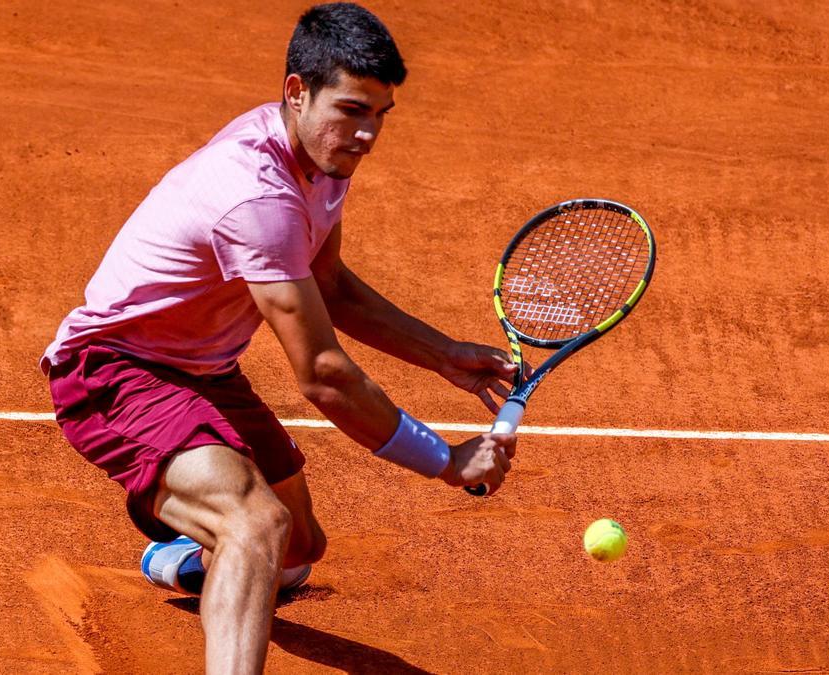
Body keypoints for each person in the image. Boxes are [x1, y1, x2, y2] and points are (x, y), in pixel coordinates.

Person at [41, 3, 517, 672]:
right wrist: (445, 460)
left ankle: (185, 551)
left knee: (296, 550)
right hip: (114, 369)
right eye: (352, 110)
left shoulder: (317, 159)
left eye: (381, 114)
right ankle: (201, 510)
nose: (368, 134)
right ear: (297, 91)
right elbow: (324, 373)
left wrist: (443, 355)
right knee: (257, 522)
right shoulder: (256, 196)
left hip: (202, 369)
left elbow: (332, 284)